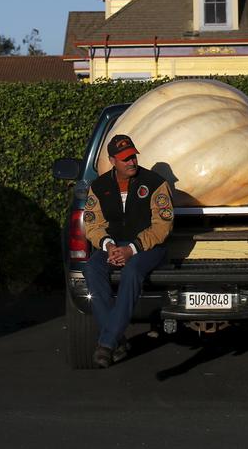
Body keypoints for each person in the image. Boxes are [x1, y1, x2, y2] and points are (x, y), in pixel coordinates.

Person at [82, 134, 173, 368]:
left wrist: (132, 249)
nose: (131, 162)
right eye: (124, 159)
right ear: (112, 161)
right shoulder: (99, 187)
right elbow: (93, 225)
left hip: (147, 246)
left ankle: (107, 344)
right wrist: (109, 246)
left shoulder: (155, 183)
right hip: (112, 245)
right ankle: (117, 340)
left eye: (132, 156)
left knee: (132, 271)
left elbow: (162, 226)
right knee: (92, 268)